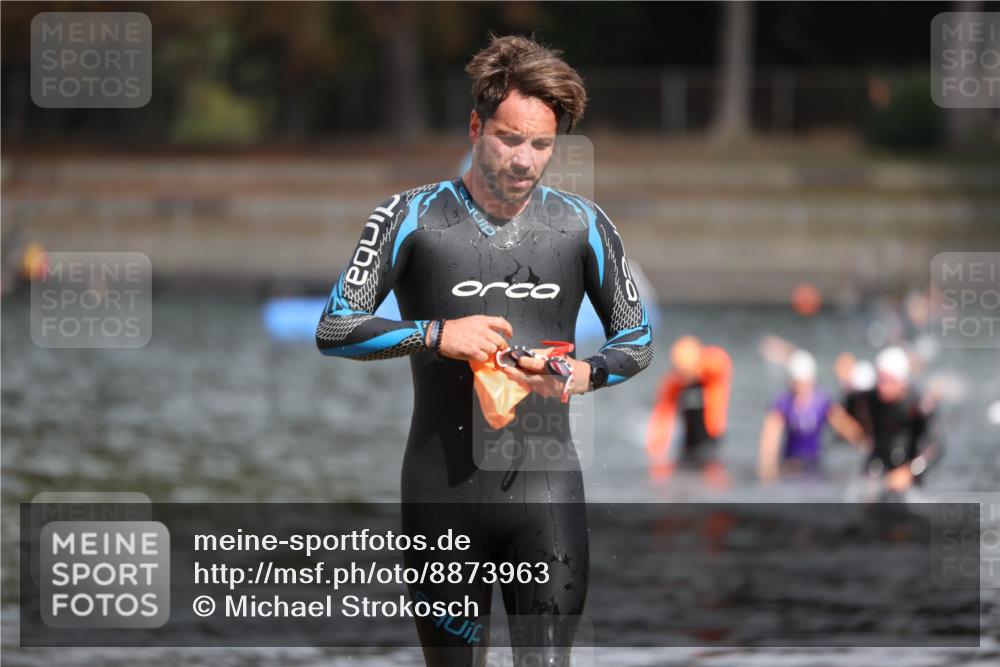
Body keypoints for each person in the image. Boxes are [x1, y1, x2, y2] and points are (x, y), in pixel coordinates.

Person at [315, 35, 652, 667]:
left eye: (543, 144)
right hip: (441, 494)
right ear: (475, 125)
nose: (525, 160)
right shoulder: (409, 216)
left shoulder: (583, 224)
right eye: (509, 138)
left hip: (546, 499)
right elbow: (335, 327)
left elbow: (636, 339)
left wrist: (588, 372)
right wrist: (438, 335)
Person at [846, 346, 942, 500]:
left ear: (902, 381)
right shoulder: (871, 397)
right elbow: (847, 407)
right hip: (877, 463)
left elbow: (935, 448)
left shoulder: (917, 405)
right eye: (880, 380)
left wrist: (910, 471)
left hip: (907, 468)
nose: (882, 387)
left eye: (888, 381)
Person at [757, 349, 866, 482]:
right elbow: (770, 440)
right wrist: (767, 468)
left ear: (812, 381)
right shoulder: (783, 403)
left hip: (816, 462)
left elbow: (849, 429)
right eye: (798, 383)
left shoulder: (822, 402)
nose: (802, 389)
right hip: (790, 463)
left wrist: (866, 446)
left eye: (805, 384)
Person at [645, 335, 731, 486]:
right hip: (687, 444)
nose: (684, 376)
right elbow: (662, 418)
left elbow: (720, 361)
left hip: (711, 441)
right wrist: (656, 452)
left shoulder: (713, 375)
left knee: (711, 481)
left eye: (686, 369)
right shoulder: (674, 385)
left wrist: (697, 367)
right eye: (679, 370)